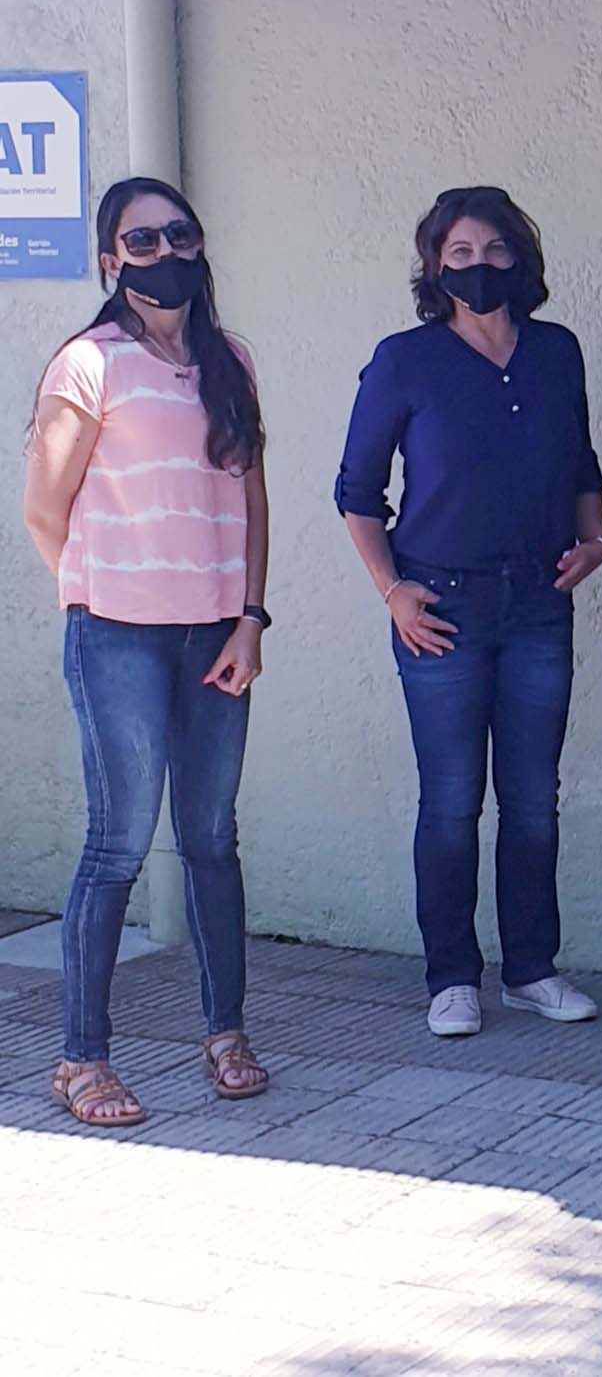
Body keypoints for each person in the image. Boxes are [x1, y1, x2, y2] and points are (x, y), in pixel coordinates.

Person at [23, 177, 272, 1126]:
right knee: (118, 844)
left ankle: (226, 1033)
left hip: (218, 636)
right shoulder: (87, 364)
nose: (165, 253)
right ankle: (81, 1060)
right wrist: (108, 590)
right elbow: (45, 510)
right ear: (109, 261)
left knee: (211, 839)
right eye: (141, 241)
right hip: (118, 636)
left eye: (179, 234)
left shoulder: (231, 360)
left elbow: (250, 500)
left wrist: (250, 617)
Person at [336, 186, 602, 1038]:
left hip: (538, 604)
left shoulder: (556, 351)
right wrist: (392, 590)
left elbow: (581, 460)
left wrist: (596, 538)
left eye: (494, 250)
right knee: (452, 801)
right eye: (459, 253)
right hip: (440, 609)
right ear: (435, 265)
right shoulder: (405, 360)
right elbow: (357, 491)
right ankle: (452, 977)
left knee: (532, 800)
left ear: (519, 258)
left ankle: (530, 970)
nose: (478, 265)